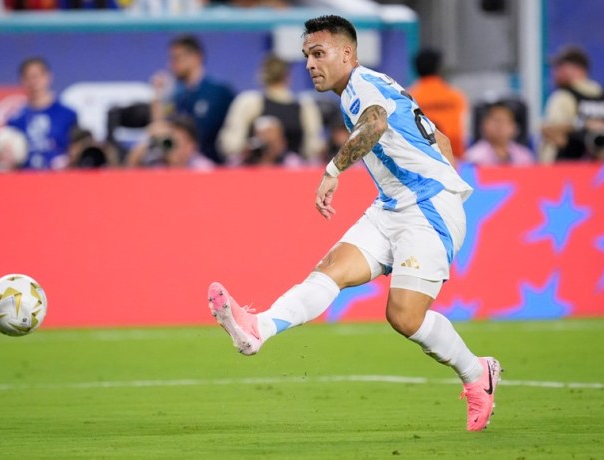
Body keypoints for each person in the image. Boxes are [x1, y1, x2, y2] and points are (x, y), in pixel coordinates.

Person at [207, 15, 501, 432]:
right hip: (392, 206)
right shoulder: (374, 87)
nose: (310, 64)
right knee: (330, 272)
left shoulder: (363, 86)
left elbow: (376, 125)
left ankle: (477, 374)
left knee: (403, 317)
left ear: (347, 54)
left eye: (319, 53)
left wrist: (333, 170)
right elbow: (443, 142)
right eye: (307, 55)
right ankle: (259, 329)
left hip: (427, 209)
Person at [218, 53, 325, 165]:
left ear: (261, 74)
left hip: (288, 168)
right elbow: (314, 148)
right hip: (269, 170)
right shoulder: (305, 106)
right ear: (288, 76)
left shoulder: (248, 103)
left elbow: (231, 144)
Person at [151, 35, 235, 164]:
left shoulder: (219, 92)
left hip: (215, 168)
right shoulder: (177, 97)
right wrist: (157, 97)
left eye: (176, 58)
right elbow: (161, 133)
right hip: (182, 168)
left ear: (196, 57)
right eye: (171, 59)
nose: (171, 65)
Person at [540, 45, 604, 163]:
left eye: (561, 67)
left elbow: (551, 132)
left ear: (579, 69)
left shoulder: (564, 97)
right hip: (600, 171)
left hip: (571, 169)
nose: (555, 73)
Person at [6, 57, 78, 169]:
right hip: (24, 179)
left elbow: (77, 147)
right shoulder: (15, 120)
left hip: (60, 178)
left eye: (37, 76)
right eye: (28, 78)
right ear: (22, 81)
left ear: (48, 77)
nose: (33, 82)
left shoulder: (68, 115)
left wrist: (69, 159)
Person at [408, 48, 469, 159]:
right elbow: (464, 130)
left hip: (422, 157)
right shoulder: (456, 96)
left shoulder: (409, 98)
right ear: (439, 67)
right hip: (454, 158)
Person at [126, 115, 215, 170]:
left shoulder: (203, 168)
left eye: (178, 142)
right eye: (169, 140)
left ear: (191, 146)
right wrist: (148, 137)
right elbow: (130, 170)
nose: (171, 146)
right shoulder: (158, 163)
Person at [465, 101, 535, 166]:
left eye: (504, 121)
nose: (500, 126)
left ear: (514, 127)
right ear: (484, 125)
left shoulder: (526, 157)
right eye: (495, 120)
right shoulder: (473, 158)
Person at [240, 115, 305, 167]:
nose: (269, 140)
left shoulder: (292, 161)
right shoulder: (245, 159)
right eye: (264, 135)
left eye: (273, 135)